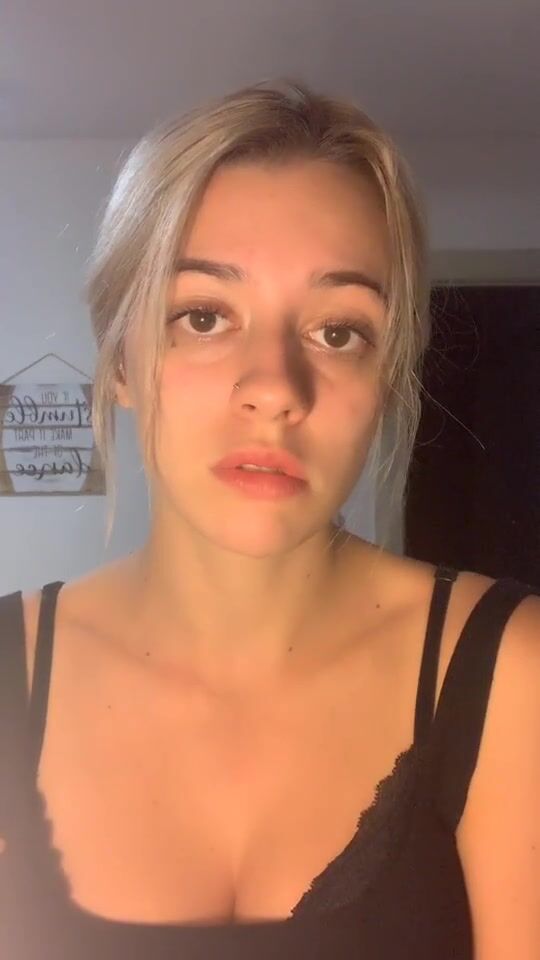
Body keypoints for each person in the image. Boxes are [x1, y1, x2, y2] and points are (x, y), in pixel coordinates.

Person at [1, 78, 539, 960]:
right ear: (122, 363)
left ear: (384, 382)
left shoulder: (512, 672)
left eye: (338, 332)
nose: (275, 390)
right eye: (204, 316)